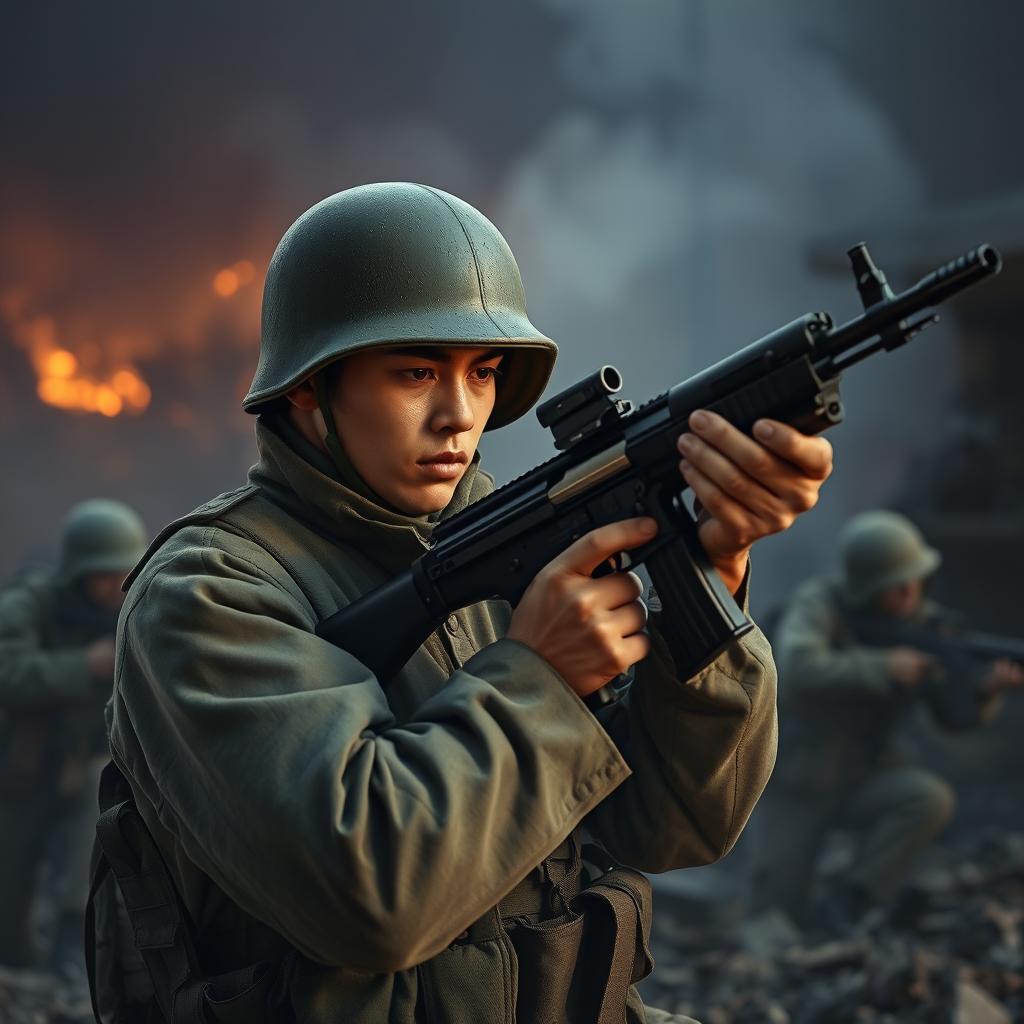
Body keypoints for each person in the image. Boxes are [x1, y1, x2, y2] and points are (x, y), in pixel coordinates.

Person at [91, 182, 833, 1023]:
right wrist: (544, 678)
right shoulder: (210, 593)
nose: (459, 415)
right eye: (414, 373)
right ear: (308, 389)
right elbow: (369, 896)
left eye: (482, 373)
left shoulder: (507, 527)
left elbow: (678, 827)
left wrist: (715, 564)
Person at [752, 509, 1023, 930]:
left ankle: (854, 898)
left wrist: (985, 690)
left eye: (914, 581)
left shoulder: (929, 628)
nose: (908, 594)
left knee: (927, 799)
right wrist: (884, 667)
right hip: (801, 780)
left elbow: (952, 717)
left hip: (866, 773)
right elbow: (799, 668)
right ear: (866, 587)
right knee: (773, 912)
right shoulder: (820, 604)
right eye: (895, 586)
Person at [0, 498, 146, 974]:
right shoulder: (31, 604)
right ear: (78, 570)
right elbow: (7, 671)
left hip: (93, 765)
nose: (113, 584)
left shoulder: (139, 609)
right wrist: (83, 665)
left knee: (94, 853)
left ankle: (74, 948)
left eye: (122, 572)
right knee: (10, 885)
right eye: (103, 573)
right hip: (23, 769)